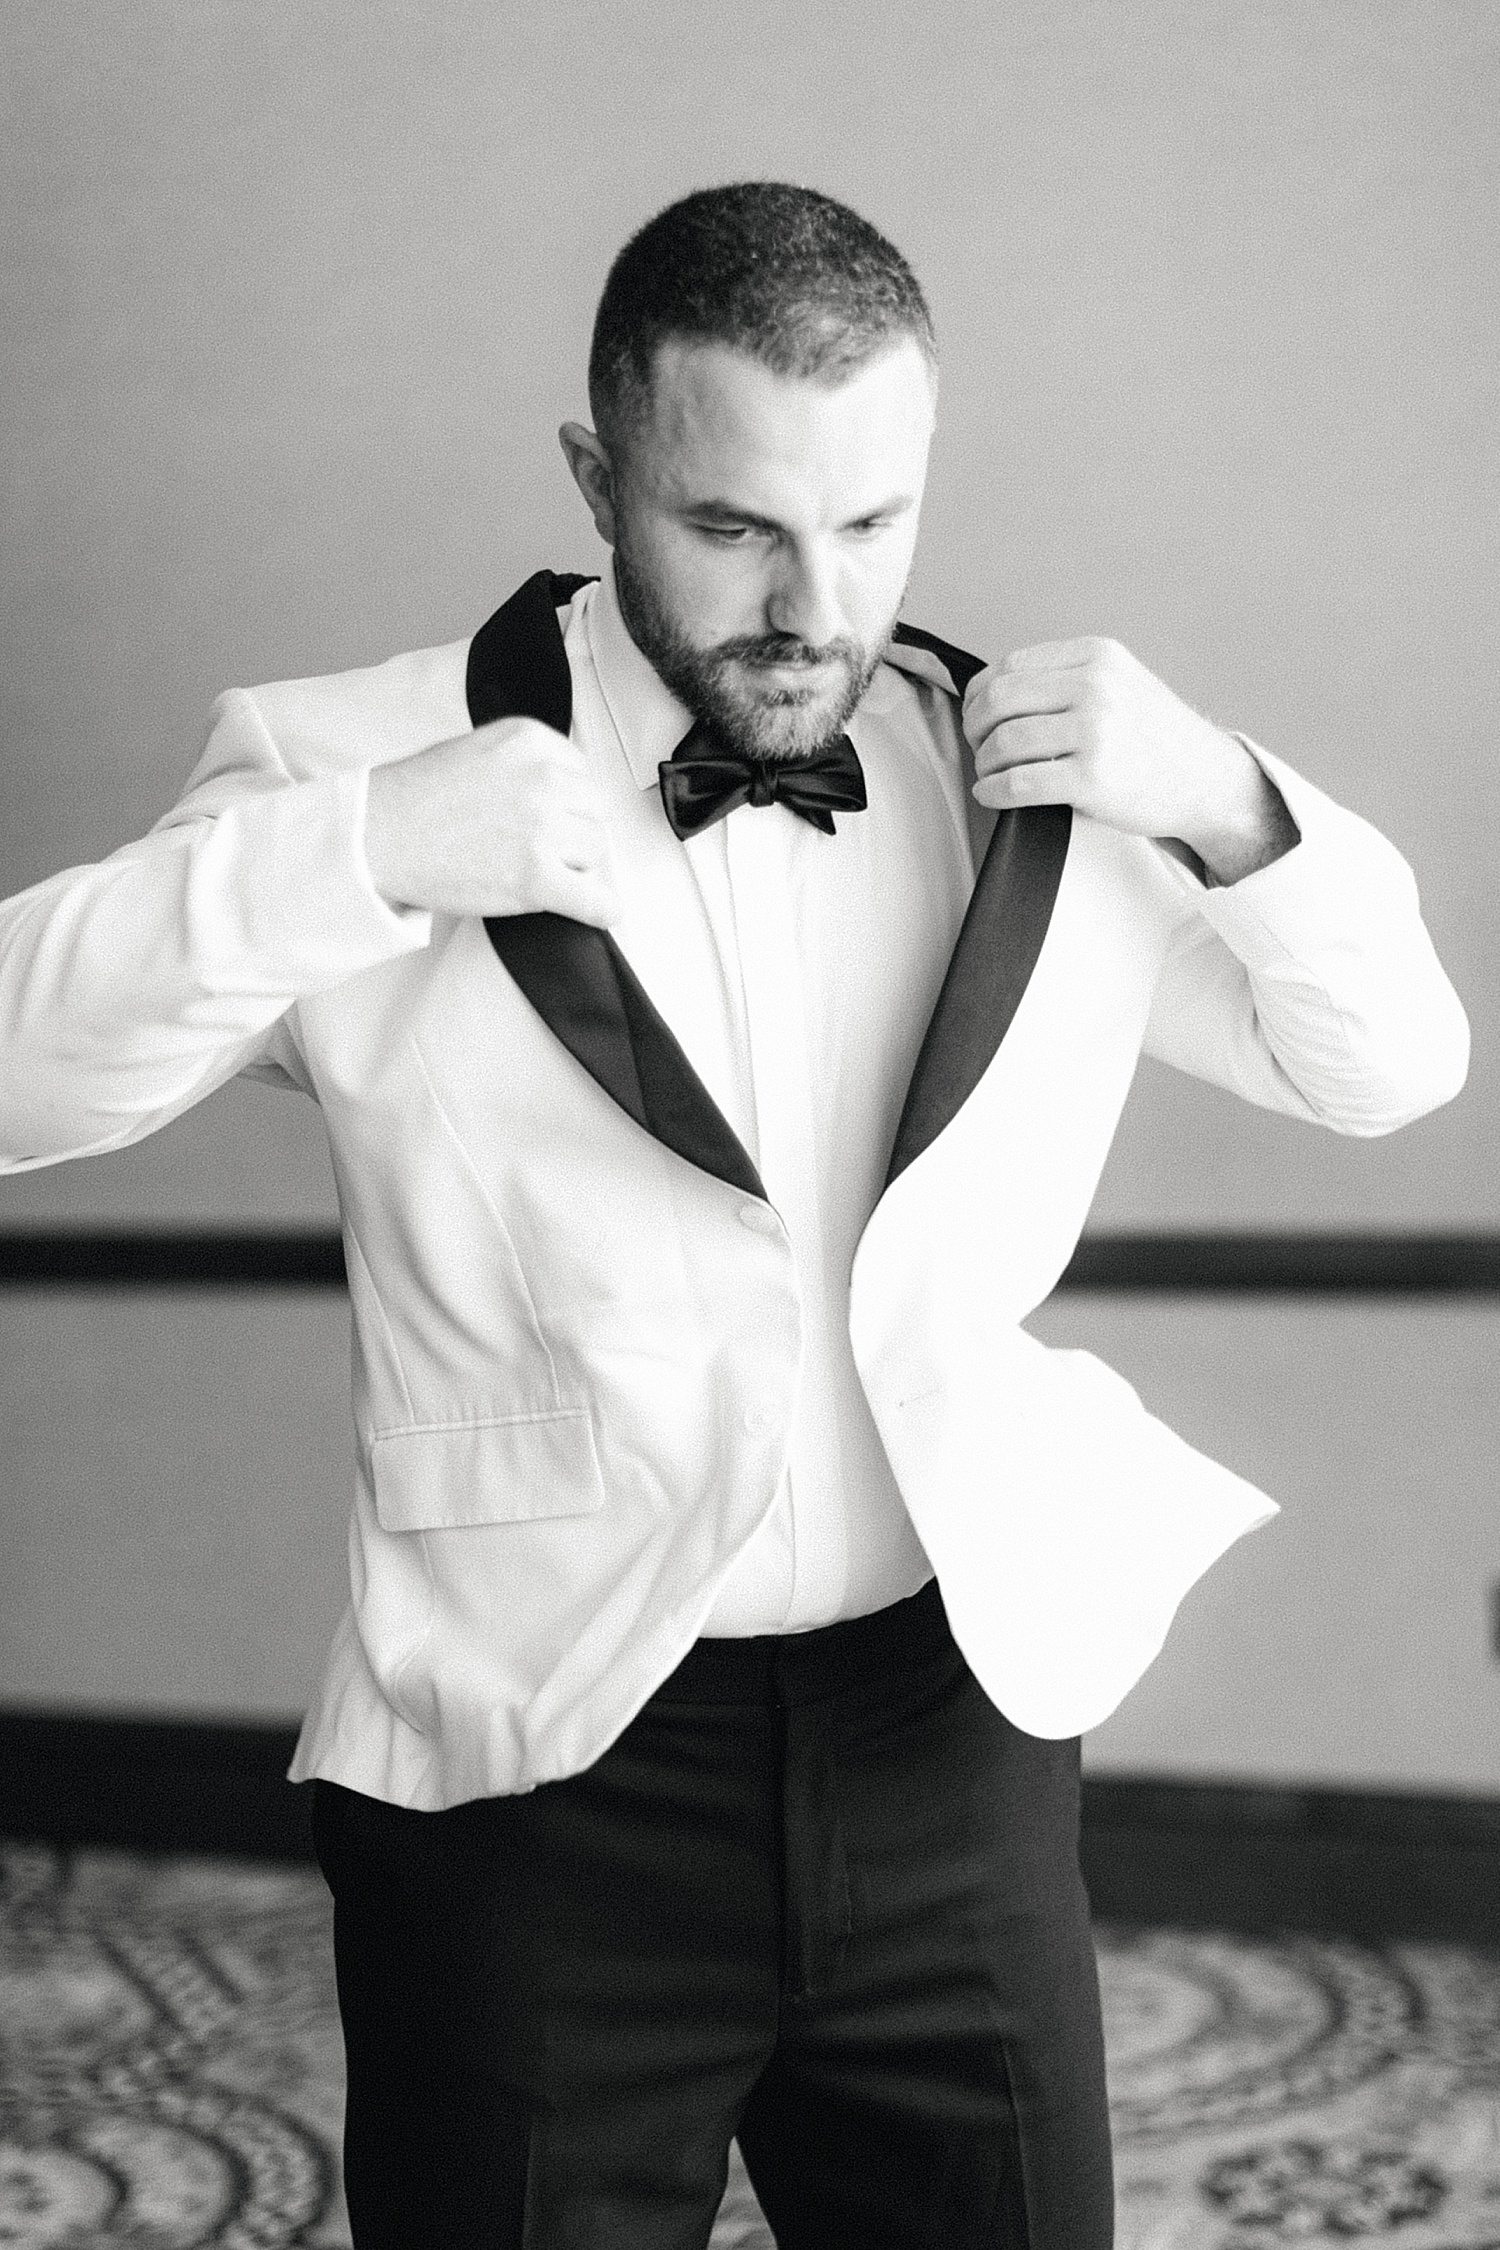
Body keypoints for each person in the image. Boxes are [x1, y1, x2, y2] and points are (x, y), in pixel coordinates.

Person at [0, 182, 1468, 2248]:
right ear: (599, 476)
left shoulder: (1028, 784)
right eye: (735, 528)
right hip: (540, 1773)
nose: (814, 603)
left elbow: (1397, 1063)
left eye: (873, 526)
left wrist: (1233, 797)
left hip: (948, 1733)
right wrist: (361, 854)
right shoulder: (354, 765)